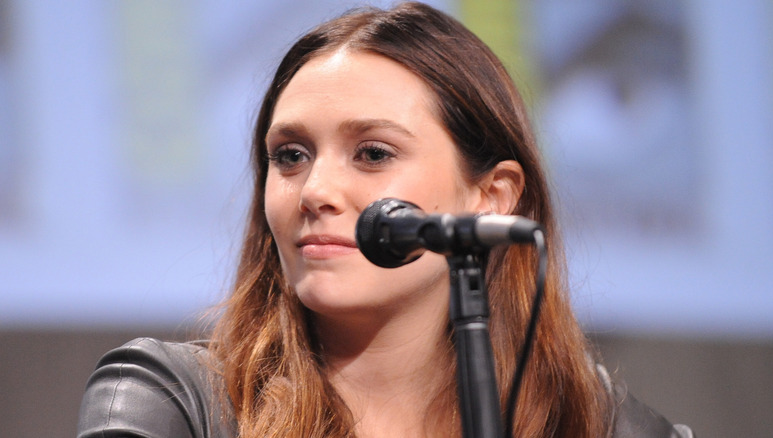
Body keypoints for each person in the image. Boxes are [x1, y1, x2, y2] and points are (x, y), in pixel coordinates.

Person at [77, 2, 694, 437]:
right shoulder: (172, 402)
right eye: (289, 156)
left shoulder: (592, 420)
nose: (315, 190)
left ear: (494, 196)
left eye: (373, 153)